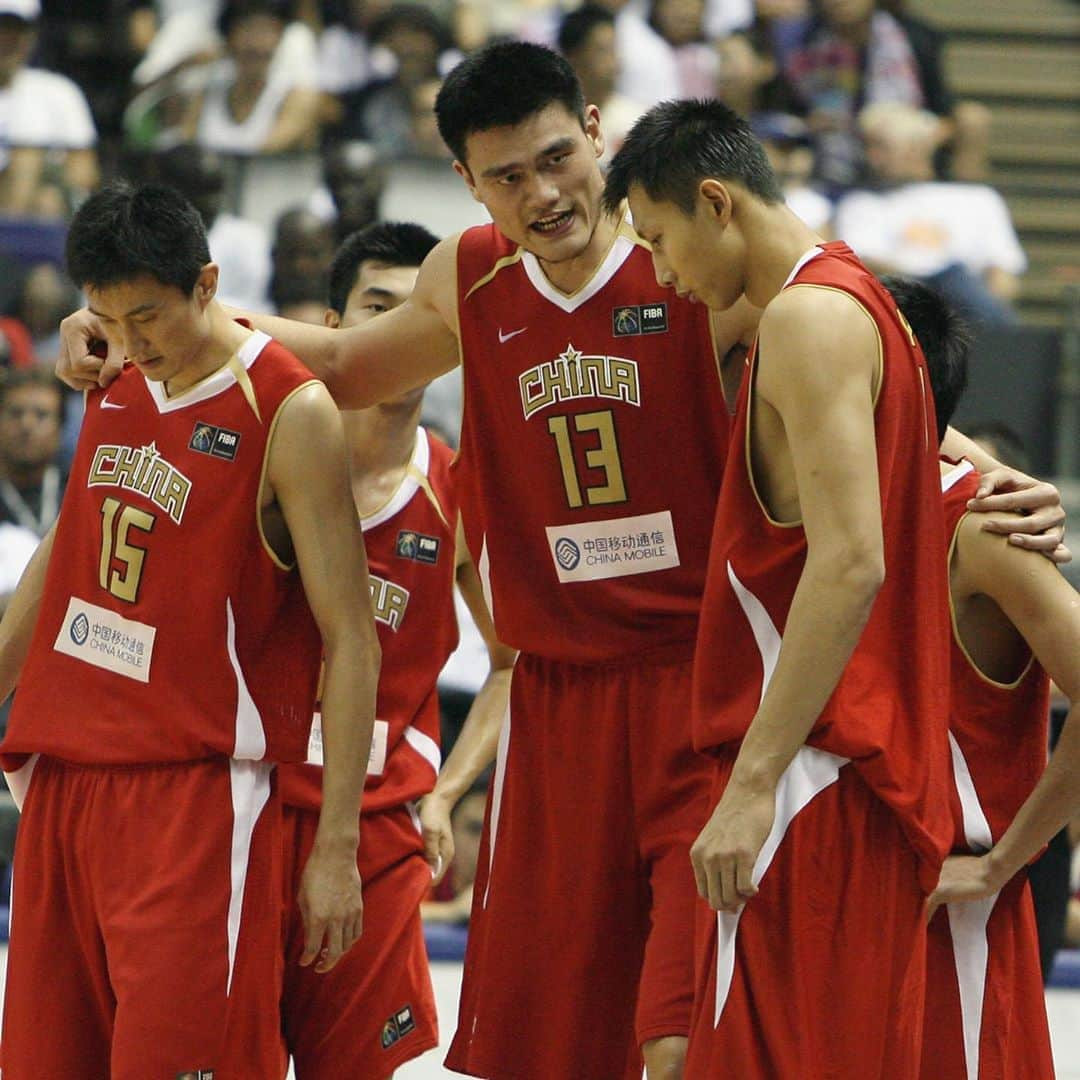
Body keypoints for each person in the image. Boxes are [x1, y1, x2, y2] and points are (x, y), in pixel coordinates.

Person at [53, 41, 1067, 1080]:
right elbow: (352, 367)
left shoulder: (694, 260)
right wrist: (165, 319)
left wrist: (975, 473)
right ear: (467, 182)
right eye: (506, 176)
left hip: (696, 689)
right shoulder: (469, 271)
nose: (541, 194)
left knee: (681, 1031)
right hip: (557, 704)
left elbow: (865, 370)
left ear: (594, 131)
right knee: (552, 1045)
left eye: (554, 159)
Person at [603, 98, 954, 1075]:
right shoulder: (864, 303)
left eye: (662, 242)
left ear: (716, 203)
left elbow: (850, 563)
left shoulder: (805, 318)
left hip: (811, 779)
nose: (665, 277)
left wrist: (753, 783)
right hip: (855, 778)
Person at [0, 181, 377, 1078]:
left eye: (150, 319)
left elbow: (353, 636)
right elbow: (66, 550)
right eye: (107, 320)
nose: (130, 344)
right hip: (65, 784)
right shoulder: (115, 372)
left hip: (194, 802)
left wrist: (335, 846)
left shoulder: (291, 409)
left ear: (208, 284)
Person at [278, 220, 515, 1078]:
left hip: (376, 827)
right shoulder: (264, 454)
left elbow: (515, 662)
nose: (400, 334)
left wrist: (449, 793)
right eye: (381, 308)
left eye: (422, 315)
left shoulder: (460, 485)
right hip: (245, 803)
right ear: (334, 331)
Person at [885, 275, 1077, 1080]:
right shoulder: (820, 504)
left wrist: (1002, 865)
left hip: (945, 903)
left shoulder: (981, 525)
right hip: (834, 888)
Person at [0, 366, 66, 537]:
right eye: (15, 413)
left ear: (59, 427)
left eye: (41, 415)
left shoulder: (78, 492)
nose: (26, 425)